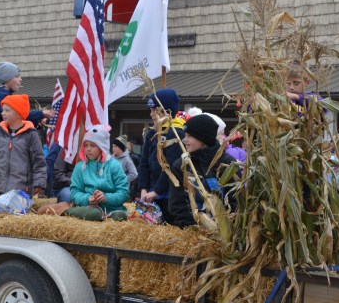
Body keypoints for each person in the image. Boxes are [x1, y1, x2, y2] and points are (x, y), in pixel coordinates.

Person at [0, 94, 47, 204]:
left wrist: (39, 182)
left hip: (21, 190)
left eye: (7, 110)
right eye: (3, 110)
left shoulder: (31, 135)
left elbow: (38, 161)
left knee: (16, 215)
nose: (2, 113)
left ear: (19, 113)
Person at [168, 114, 237, 227]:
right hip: (193, 230)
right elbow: (177, 204)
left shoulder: (227, 163)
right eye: (185, 135)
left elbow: (235, 200)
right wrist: (191, 227)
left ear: (203, 138)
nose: (184, 140)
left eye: (190, 136)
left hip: (225, 229)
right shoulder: (181, 165)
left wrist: (228, 225)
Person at [137, 88, 186, 224]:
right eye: (151, 110)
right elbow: (144, 163)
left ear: (168, 111)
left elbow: (171, 167)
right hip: (151, 194)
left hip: (169, 194)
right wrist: (143, 188)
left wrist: (157, 192)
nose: (152, 114)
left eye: (156, 110)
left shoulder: (176, 134)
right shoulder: (152, 134)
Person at [66, 125, 129, 221]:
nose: (88, 149)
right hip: (89, 208)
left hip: (113, 208)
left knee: (120, 216)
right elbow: (75, 192)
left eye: (92, 145)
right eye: (86, 145)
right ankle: (67, 211)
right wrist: (88, 199)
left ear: (102, 146)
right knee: (95, 214)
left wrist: (106, 198)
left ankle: (107, 215)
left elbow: (124, 193)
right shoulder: (80, 167)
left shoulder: (114, 166)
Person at [0, 61, 55, 135]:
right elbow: (17, 113)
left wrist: (37, 122)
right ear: (6, 79)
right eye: (17, 76)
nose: (20, 79)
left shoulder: (1, 94)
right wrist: (42, 113)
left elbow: (16, 121)